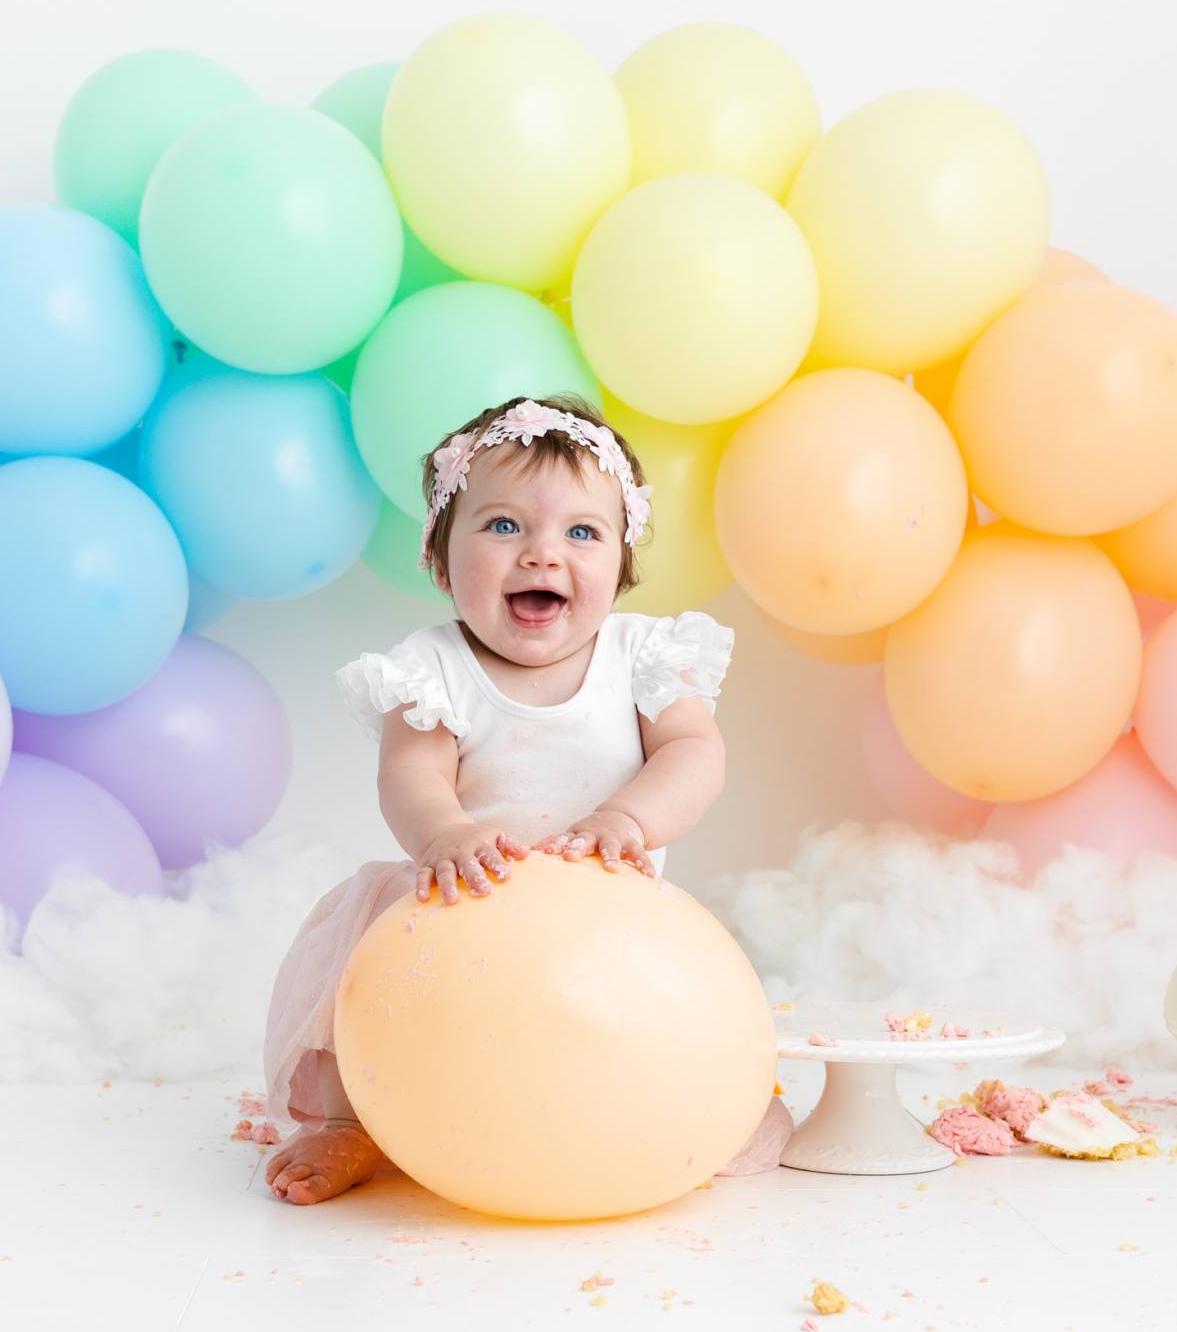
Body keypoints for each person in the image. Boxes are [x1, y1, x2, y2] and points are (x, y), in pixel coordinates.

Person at [261, 394, 790, 1204]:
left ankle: (671, 1106)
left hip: (607, 909)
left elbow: (694, 752)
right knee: (366, 992)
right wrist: (446, 832)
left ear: (621, 564)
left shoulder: (643, 656)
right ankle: (350, 1123)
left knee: (630, 1024)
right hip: (461, 900)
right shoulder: (430, 670)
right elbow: (411, 775)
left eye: (582, 532)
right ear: (441, 561)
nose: (542, 554)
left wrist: (629, 818)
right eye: (504, 525)